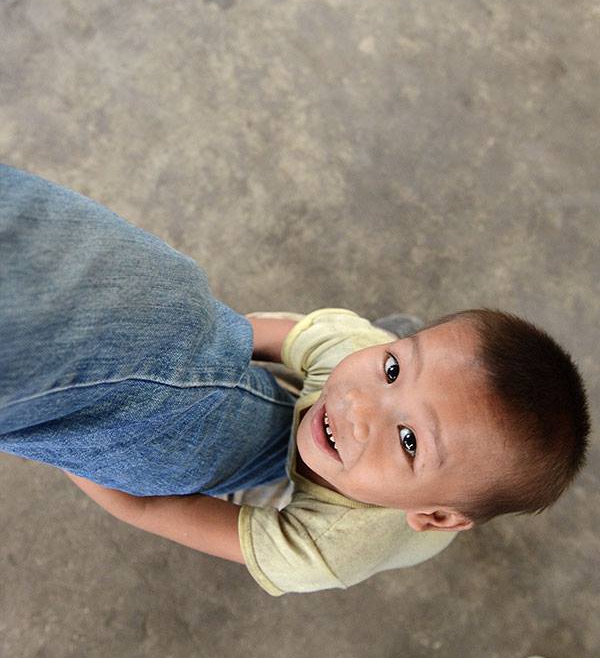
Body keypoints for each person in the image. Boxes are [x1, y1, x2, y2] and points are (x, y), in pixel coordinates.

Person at [0, 164, 591, 595]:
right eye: (393, 368)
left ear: (435, 517)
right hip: (347, 407)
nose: (359, 406)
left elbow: (148, 507)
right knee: (345, 358)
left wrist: (70, 438)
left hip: (333, 512)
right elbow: (264, 332)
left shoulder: (326, 549)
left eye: (409, 439)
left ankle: (349, 447)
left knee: (268, 479)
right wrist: (214, 348)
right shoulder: (351, 348)